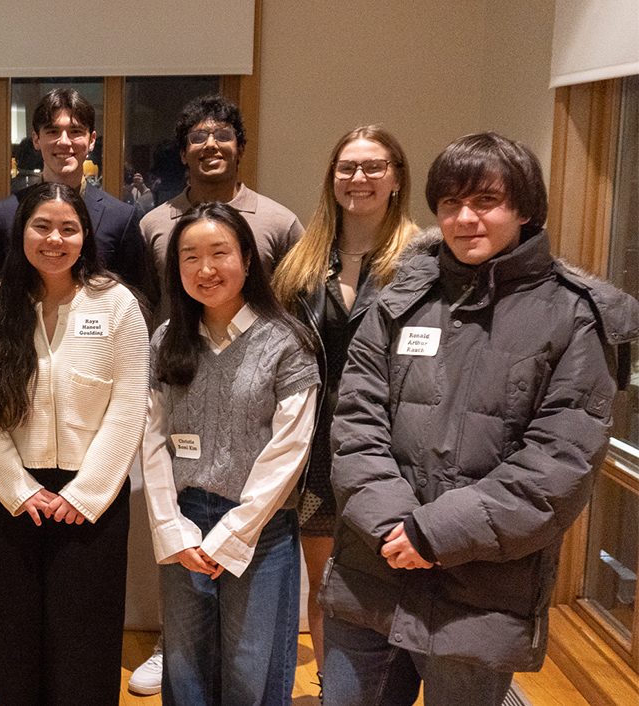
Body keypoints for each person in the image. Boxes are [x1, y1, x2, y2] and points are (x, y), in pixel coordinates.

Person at [323, 133, 639, 705]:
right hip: (372, 571)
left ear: (525, 208)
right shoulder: (401, 299)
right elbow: (355, 423)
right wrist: (393, 527)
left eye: (485, 201)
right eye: (450, 203)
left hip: (481, 595)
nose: (465, 218)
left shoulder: (575, 317)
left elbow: (558, 465)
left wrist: (433, 534)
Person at [129, 95, 304, 692]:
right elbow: (151, 438)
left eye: (220, 254)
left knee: (253, 672)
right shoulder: (166, 341)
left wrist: (234, 532)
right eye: (190, 257)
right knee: (186, 670)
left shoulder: (287, 341)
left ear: (248, 259)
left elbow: (289, 450)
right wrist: (171, 528)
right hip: (184, 519)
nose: (205, 269)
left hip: (261, 526)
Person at [0, 182, 149, 706]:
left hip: (93, 502)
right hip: (15, 500)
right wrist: (18, 489)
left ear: (85, 236)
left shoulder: (116, 303)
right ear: (20, 232)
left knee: (84, 643)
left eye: (69, 228)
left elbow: (129, 406)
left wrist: (86, 494)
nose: (54, 239)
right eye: (41, 226)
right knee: (15, 639)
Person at [267, 125, 418, 688]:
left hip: (395, 451)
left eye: (374, 166)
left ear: (397, 178)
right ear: (332, 178)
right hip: (318, 453)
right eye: (347, 167)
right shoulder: (301, 263)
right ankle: (336, 691)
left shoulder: (423, 261)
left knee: (396, 583)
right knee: (328, 585)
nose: (359, 178)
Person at [0, 89, 156, 311]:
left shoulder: (120, 218)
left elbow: (136, 301)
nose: (64, 142)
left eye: (75, 132)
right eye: (53, 131)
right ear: (36, 139)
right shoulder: (3, 216)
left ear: (91, 140)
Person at [138, 95, 302, 326]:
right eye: (198, 138)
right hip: (176, 348)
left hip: (262, 349)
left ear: (241, 149)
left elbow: (299, 305)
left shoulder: (281, 224)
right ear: (183, 154)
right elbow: (143, 307)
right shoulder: (152, 225)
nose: (211, 144)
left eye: (223, 136)